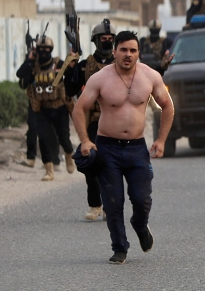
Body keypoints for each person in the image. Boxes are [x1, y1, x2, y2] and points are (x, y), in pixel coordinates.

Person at [71, 31, 174, 264]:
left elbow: (167, 106)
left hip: (137, 148)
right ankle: (119, 247)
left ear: (139, 53)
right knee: (113, 202)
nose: (128, 55)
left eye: (133, 50)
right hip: (108, 148)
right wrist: (86, 140)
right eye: (124, 50)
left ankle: (139, 223)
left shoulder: (150, 76)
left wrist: (161, 140)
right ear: (115, 51)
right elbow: (79, 109)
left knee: (142, 198)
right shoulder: (100, 78)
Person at [16, 35, 75, 181]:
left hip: (59, 108)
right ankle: (49, 170)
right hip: (42, 108)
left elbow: (72, 74)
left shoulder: (58, 64)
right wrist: (29, 59)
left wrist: (73, 61)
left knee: (64, 139)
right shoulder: (33, 66)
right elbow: (20, 75)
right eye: (41, 49)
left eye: (47, 48)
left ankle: (69, 154)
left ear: (51, 49)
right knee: (43, 138)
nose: (44, 51)